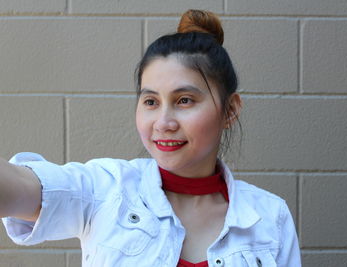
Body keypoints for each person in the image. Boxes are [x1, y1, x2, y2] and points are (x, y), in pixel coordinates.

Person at [0, 9, 301, 267]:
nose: (164, 123)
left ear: (229, 110)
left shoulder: (270, 217)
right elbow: (19, 188)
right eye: (151, 102)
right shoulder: (105, 190)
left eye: (184, 100)